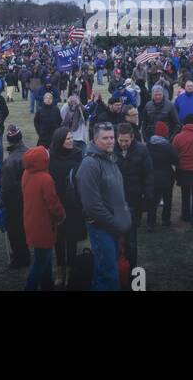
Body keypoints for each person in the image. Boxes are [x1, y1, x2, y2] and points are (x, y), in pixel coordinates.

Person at [76, 121, 131, 291]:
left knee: (105, 270)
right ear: (95, 139)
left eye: (112, 137)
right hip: (102, 229)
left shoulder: (109, 158)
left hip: (113, 228)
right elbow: (93, 206)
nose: (110, 141)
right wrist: (116, 225)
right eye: (105, 138)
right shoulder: (90, 164)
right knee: (108, 275)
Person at [21, 145, 65, 291]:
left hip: (31, 221)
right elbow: (53, 203)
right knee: (41, 261)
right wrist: (61, 215)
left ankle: (48, 285)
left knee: (45, 259)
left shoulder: (27, 173)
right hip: (43, 226)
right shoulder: (45, 179)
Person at [48, 126, 86, 287]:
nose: (71, 141)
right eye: (67, 139)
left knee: (71, 240)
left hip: (73, 205)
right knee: (58, 239)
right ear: (59, 141)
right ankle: (60, 269)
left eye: (71, 138)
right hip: (57, 203)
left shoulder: (78, 155)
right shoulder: (51, 158)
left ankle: (70, 270)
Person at [115, 121, 153, 269]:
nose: (123, 144)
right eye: (121, 140)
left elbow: (148, 174)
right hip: (116, 201)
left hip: (133, 200)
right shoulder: (111, 150)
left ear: (132, 138)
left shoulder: (142, 150)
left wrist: (147, 197)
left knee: (131, 241)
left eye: (126, 141)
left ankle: (131, 269)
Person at [0, 125, 32, 270]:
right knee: (24, 229)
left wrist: (2, 202)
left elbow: (7, 187)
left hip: (16, 201)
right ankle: (24, 254)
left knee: (15, 230)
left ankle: (20, 258)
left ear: (9, 141)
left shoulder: (11, 162)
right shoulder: (30, 153)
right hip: (30, 198)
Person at [147, 121, 178, 230]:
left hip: (153, 177)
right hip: (167, 177)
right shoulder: (168, 147)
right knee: (167, 200)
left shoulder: (148, 146)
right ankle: (166, 220)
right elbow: (176, 161)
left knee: (153, 201)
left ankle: (150, 222)